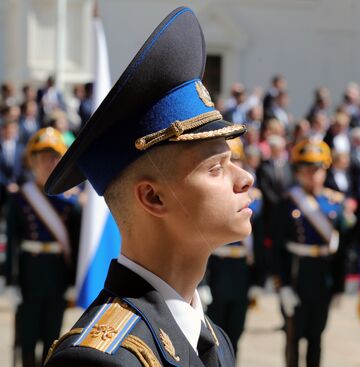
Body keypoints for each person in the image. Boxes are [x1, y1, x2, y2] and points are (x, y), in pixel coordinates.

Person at [43, 7, 252, 367]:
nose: (244, 178)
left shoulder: (214, 340)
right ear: (153, 197)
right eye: (216, 168)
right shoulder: (98, 362)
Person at [5, 127, 81, 367]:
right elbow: (12, 244)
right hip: (29, 276)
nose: (48, 163)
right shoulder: (19, 199)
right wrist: (10, 282)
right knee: (27, 342)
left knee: (52, 341)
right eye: (42, 157)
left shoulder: (71, 203)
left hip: (57, 276)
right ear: (32, 160)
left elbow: (77, 246)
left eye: (54, 157)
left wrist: (73, 283)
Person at [274, 139, 352, 367]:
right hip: (297, 275)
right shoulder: (287, 203)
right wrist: (283, 285)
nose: (312, 175)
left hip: (322, 278)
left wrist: (339, 287)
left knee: (317, 338)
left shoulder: (334, 203)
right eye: (306, 170)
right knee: (293, 338)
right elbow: (278, 248)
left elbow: (342, 251)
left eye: (317, 169)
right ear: (298, 171)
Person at [205, 138, 264, 356]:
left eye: (237, 159)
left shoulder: (254, 198)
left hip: (241, 271)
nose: (234, 165)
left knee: (235, 335)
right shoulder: (211, 196)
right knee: (212, 340)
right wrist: (202, 282)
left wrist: (259, 280)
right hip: (216, 270)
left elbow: (260, 242)